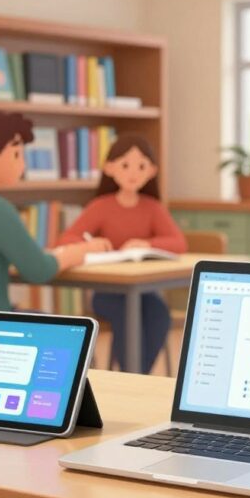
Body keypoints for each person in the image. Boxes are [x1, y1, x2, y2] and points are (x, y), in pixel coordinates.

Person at [0, 110, 110, 311]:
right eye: (17, 155)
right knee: (67, 329)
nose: (23, 164)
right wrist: (81, 251)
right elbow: (39, 270)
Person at [58, 134, 187, 374]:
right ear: (109, 168)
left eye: (141, 166)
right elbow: (67, 239)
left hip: (145, 293)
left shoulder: (152, 208)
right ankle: (133, 374)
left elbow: (178, 242)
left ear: (152, 171)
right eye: (125, 165)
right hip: (108, 293)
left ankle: (137, 375)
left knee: (159, 315)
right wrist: (91, 245)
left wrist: (147, 244)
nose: (133, 173)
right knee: (128, 318)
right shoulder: (101, 206)